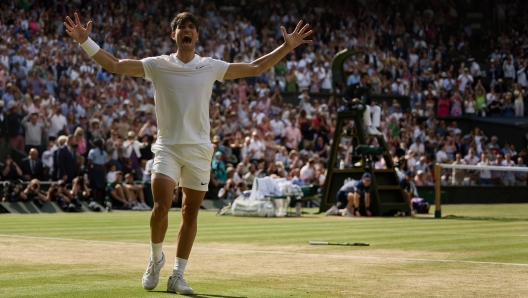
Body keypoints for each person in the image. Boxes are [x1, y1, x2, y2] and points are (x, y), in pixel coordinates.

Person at [64, 12, 313, 294]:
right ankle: (155, 259)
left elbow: (255, 67)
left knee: (190, 213)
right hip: (167, 147)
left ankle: (177, 275)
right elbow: (115, 65)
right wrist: (86, 42)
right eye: (182, 26)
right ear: (174, 35)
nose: (187, 30)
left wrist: (287, 46)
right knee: (160, 206)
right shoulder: (158, 65)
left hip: (199, 150)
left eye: (192, 27)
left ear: (196, 36)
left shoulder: (210, 66)